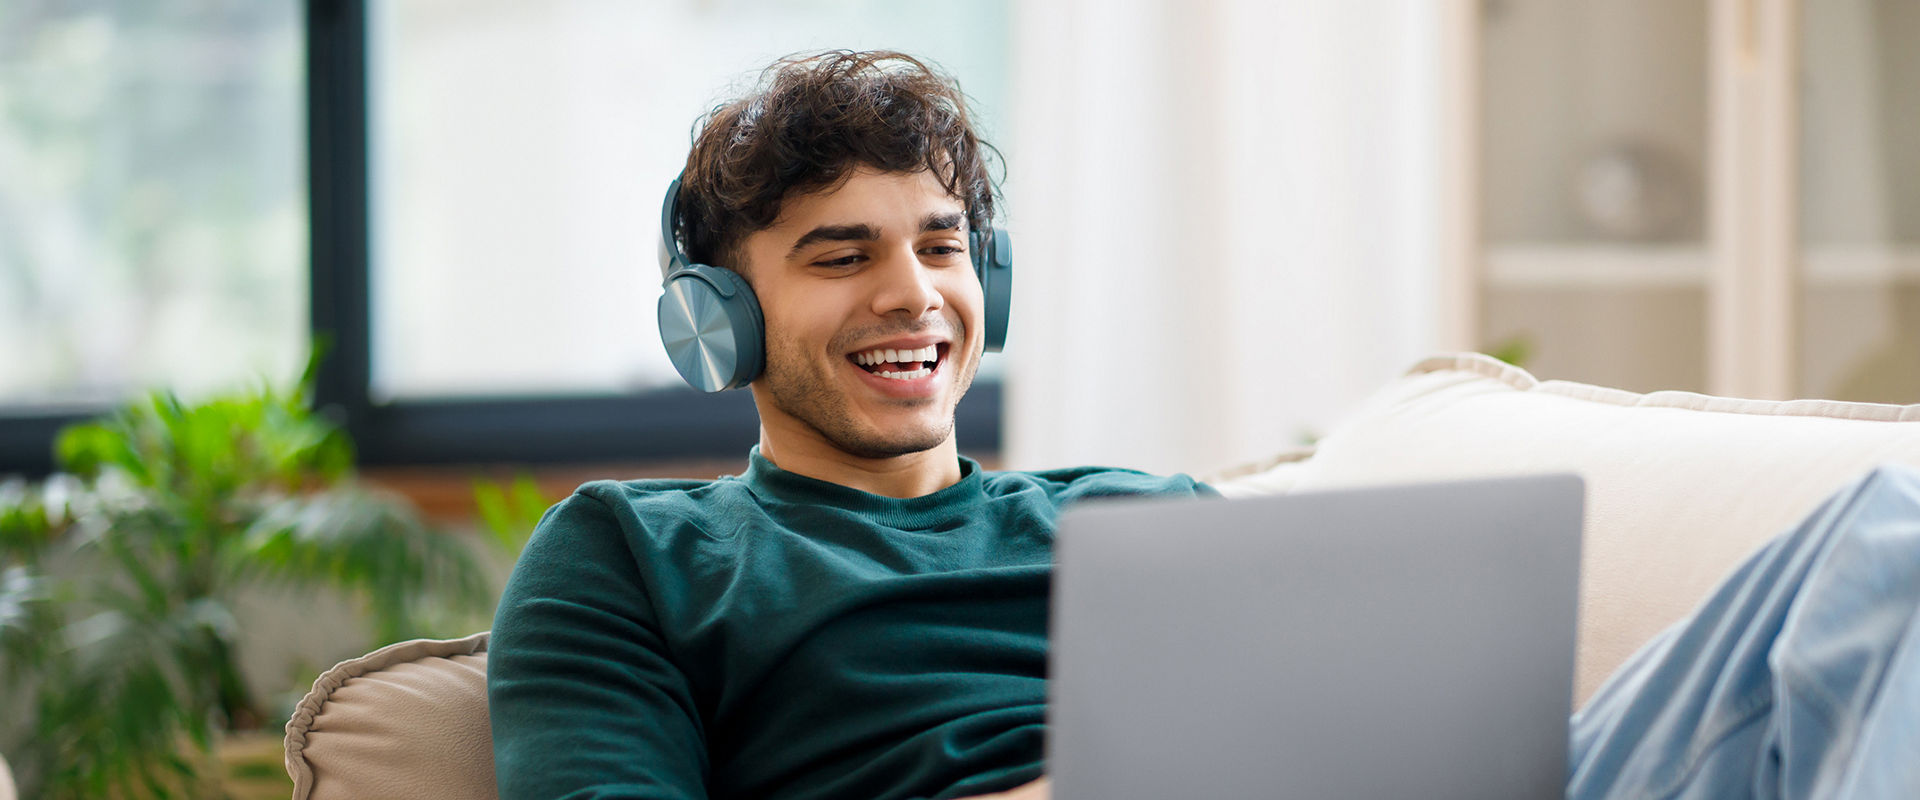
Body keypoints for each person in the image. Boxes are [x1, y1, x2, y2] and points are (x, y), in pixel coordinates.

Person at [488, 50, 1920, 800]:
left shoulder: (1142, 512)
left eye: (939, 245)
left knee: (1885, 541)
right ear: (717, 320)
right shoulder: (633, 556)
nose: (912, 295)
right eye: (840, 254)